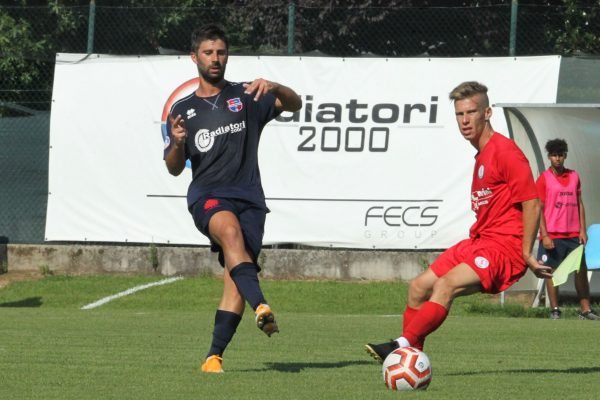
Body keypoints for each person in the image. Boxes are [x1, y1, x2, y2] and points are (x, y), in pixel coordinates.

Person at [365, 81, 553, 361]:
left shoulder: (506, 152)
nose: (465, 120)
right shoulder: (482, 154)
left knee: (445, 285)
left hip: (504, 249)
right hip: (480, 242)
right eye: (459, 114)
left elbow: (532, 202)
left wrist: (527, 252)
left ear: (487, 113)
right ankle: (412, 361)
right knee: (417, 287)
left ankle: (400, 347)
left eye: (471, 112)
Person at [164, 24, 302, 373]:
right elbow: (173, 168)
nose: (215, 59)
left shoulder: (248, 95)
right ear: (194, 57)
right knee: (229, 234)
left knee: (235, 279)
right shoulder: (183, 109)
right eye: (208, 53)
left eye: (221, 52)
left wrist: (275, 86)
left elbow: (296, 104)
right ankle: (263, 307)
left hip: (251, 200)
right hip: (207, 197)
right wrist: (177, 142)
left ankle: (213, 357)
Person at [536, 139, 599, 320]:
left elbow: (579, 203)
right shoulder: (543, 179)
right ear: (549, 157)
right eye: (554, 155)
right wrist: (545, 235)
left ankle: (585, 310)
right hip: (552, 235)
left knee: (580, 270)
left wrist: (582, 230)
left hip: (573, 234)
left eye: (561, 155)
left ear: (565, 156)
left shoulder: (574, 176)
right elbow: (538, 209)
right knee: (551, 272)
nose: (557, 159)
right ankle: (555, 310)